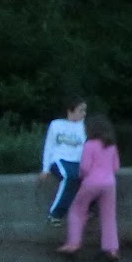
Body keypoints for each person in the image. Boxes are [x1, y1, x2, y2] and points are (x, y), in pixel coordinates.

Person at [57, 114, 122, 262]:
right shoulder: (111, 146)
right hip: (109, 184)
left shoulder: (89, 145)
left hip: (91, 183)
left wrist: (80, 175)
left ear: (91, 130)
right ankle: (111, 249)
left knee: (76, 210)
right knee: (108, 216)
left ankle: (73, 243)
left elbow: (85, 168)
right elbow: (116, 167)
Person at [40, 96, 87, 225]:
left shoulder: (83, 126)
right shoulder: (56, 125)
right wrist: (45, 168)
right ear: (70, 111)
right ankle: (55, 213)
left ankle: (86, 208)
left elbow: (84, 147)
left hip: (76, 161)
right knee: (69, 177)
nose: (84, 114)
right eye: (81, 110)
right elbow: (48, 146)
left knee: (89, 180)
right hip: (60, 160)